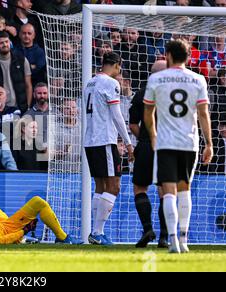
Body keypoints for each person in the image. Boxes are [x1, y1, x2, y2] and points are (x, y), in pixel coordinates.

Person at [144, 39, 213, 254]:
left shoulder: (156, 78)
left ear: (168, 56)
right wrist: (209, 143)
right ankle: (183, 239)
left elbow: (148, 114)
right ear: (189, 57)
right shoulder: (198, 79)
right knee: (185, 189)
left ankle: (173, 238)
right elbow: (203, 114)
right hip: (189, 143)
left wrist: (154, 137)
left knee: (168, 191)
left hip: (166, 143)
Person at [83, 52, 134, 246]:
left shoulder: (90, 83)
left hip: (90, 141)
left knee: (101, 186)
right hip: (104, 140)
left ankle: (94, 232)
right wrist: (128, 143)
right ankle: (97, 232)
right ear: (117, 65)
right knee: (114, 186)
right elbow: (117, 116)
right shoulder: (111, 83)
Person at [129, 60, 169, 248]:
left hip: (146, 145)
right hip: (167, 146)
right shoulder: (173, 94)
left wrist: (144, 138)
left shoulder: (140, 94)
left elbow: (132, 124)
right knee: (165, 192)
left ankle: (147, 229)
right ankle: (164, 236)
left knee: (140, 188)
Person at [0, 31, 32, 113]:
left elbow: (28, 85)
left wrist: (27, 106)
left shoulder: (22, 60)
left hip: (19, 107)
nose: (5, 45)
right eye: (1, 43)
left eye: (6, 41)